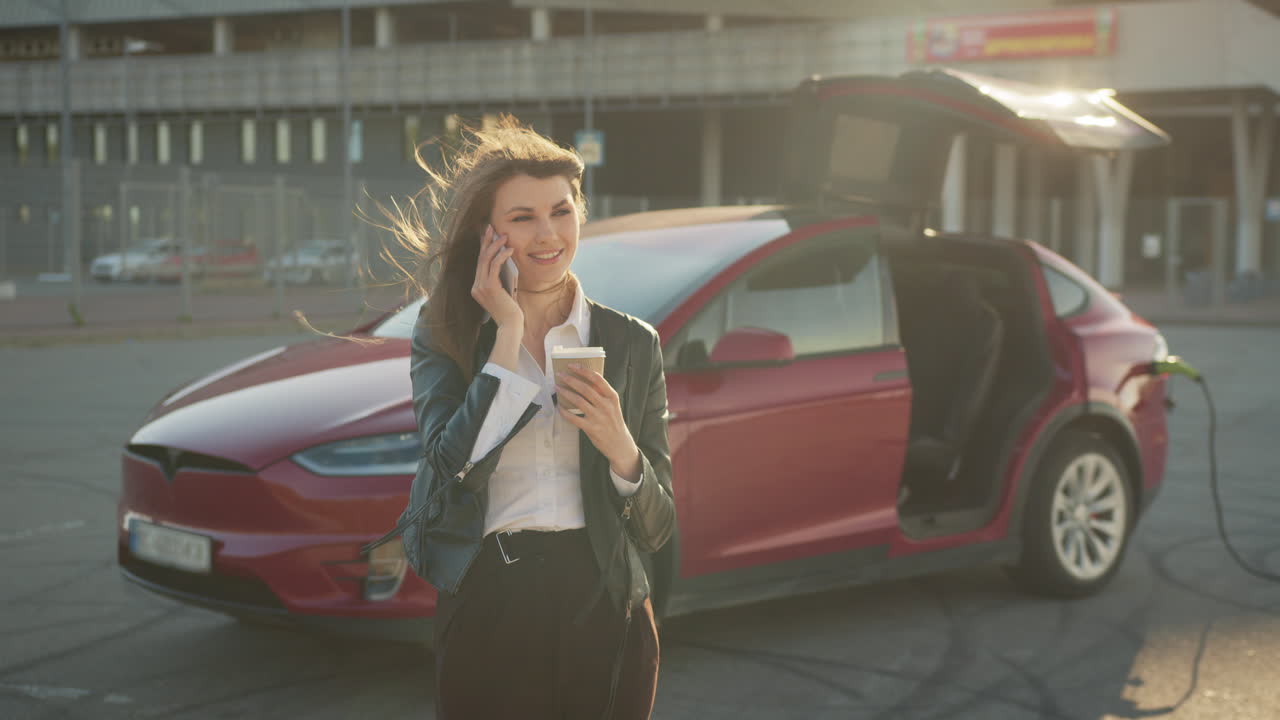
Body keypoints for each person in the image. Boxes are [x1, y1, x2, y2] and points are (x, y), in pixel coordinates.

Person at [366, 117, 676, 719]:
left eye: (561, 211)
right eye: (522, 217)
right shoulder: (447, 333)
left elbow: (658, 528)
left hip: (604, 602)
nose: (547, 235)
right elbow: (450, 467)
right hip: (490, 599)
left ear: (582, 211)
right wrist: (506, 335)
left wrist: (620, 448)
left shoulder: (633, 343)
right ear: (489, 233)